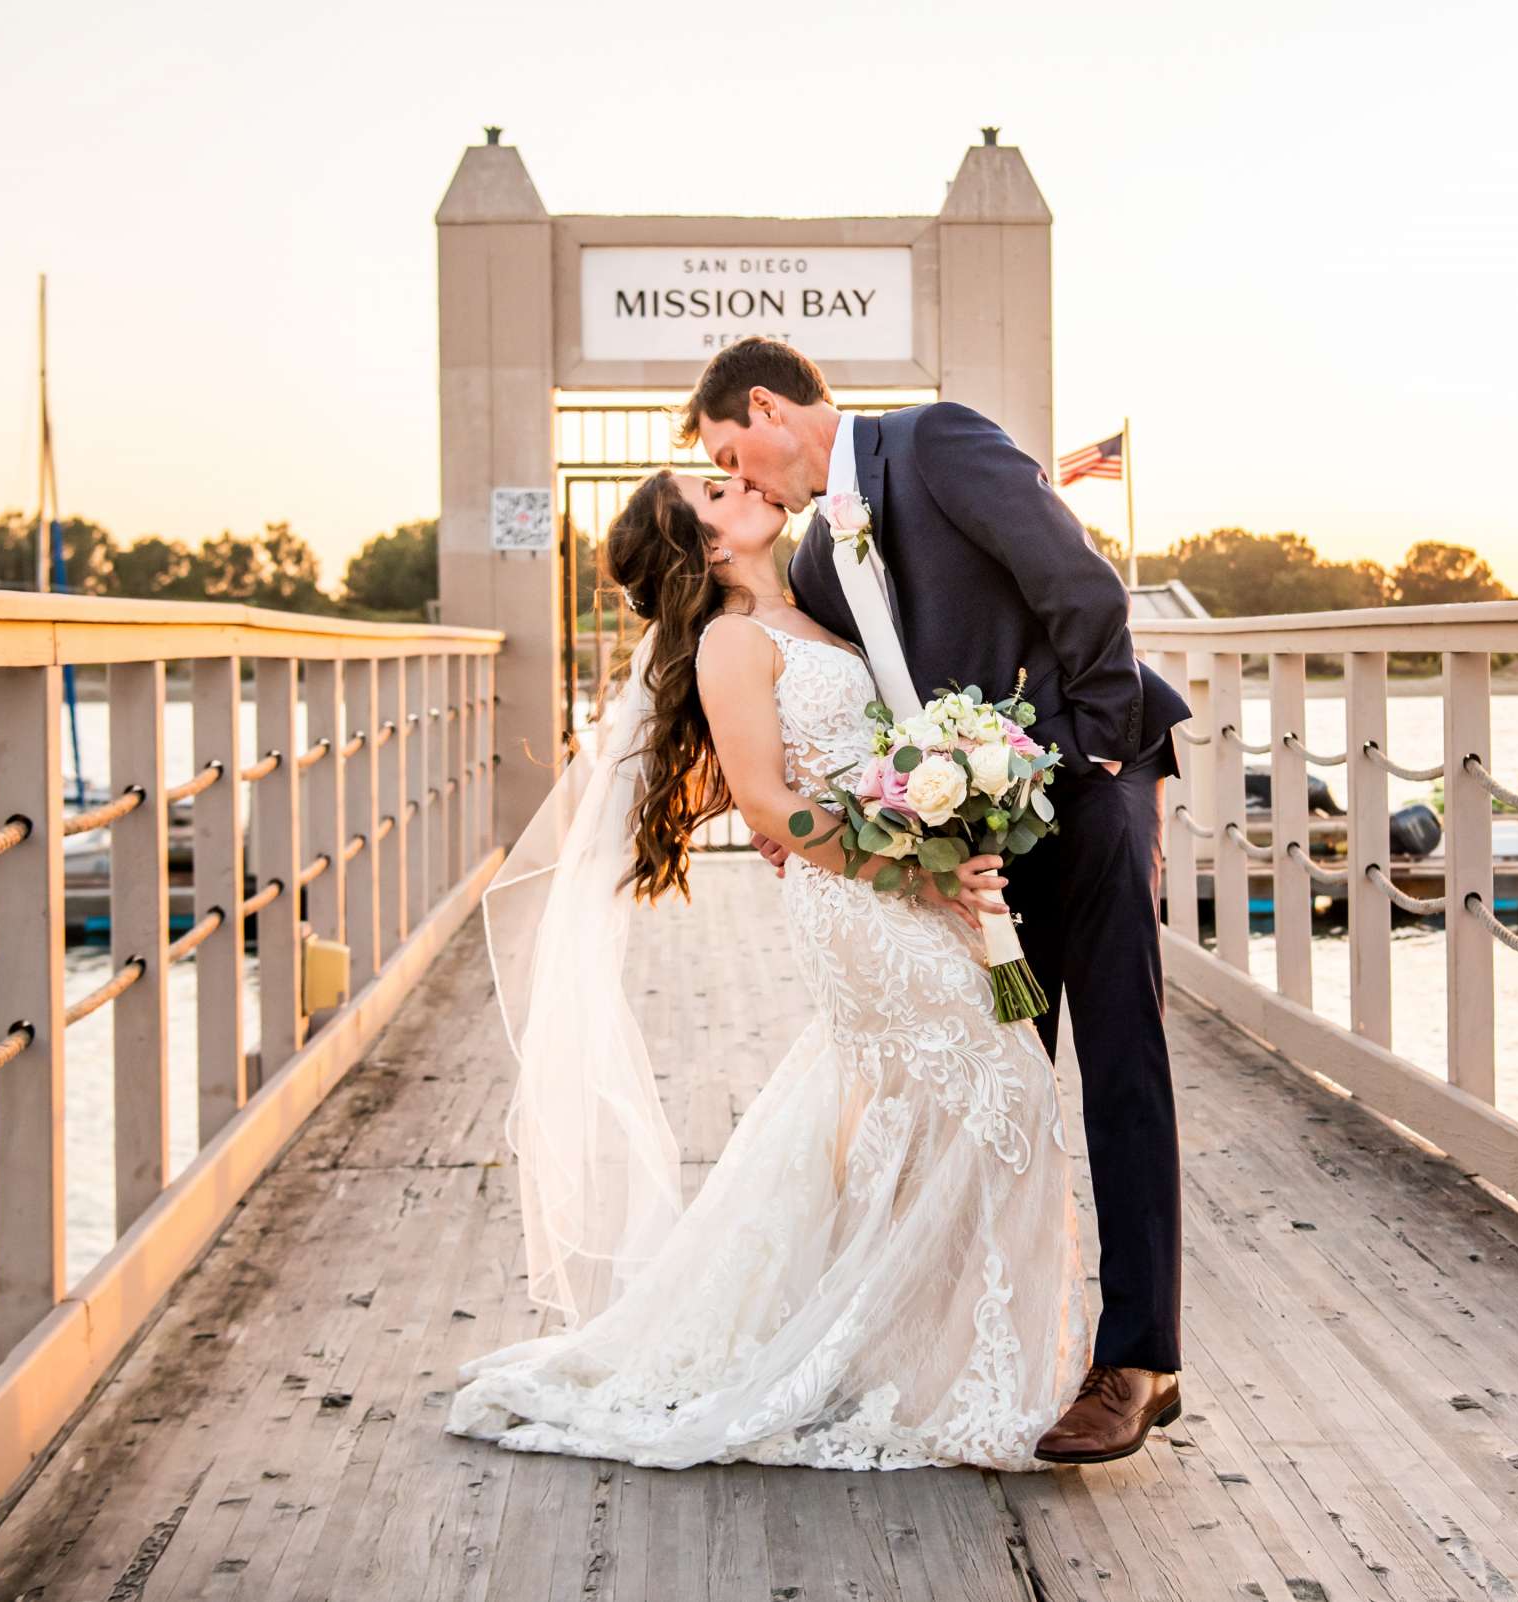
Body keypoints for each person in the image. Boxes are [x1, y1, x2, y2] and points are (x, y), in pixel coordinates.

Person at [445, 466, 1097, 1471]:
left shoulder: (820, 603)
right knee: (988, 1089)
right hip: (859, 900)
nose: (739, 482)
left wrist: (950, 812)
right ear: (705, 546)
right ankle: (925, 1367)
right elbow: (763, 802)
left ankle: (922, 1355)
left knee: (943, 1099)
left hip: (909, 883)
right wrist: (914, 875)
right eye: (713, 489)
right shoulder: (730, 641)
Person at [689, 340, 1190, 1463]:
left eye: (735, 453)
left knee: (1118, 1059)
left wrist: (1098, 759)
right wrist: (809, 822)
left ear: (768, 406)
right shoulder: (814, 562)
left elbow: (1081, 587)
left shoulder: (937, 440)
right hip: (967, 841)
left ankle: (1140, 1361)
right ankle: (998, 1355)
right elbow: (853, 714)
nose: (747, 481)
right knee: (1001, 1080)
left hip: (1094, 783)